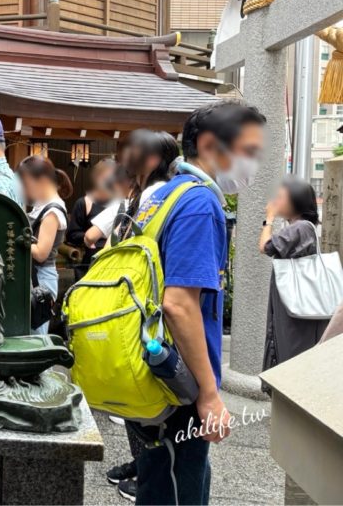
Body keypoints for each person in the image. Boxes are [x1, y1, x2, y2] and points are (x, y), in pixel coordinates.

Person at [128, 99, 266, 506]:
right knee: (178, 489)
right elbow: (180, 305)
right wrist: (208, 394)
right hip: (178, 386)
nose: (252, 162)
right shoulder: (200, 204)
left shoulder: (162, 195)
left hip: (151, 369)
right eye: (248, 149)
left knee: (159, 483)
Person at [89, 130, 179, 501]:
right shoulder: (158, 201)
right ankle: (144, 472)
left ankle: (142, 471)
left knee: (139, 407)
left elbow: (102, 253)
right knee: (155, 413)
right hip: (150, 316)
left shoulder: (135, 204)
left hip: (127, 316)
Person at [260, 178, 328, 383]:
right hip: (298, 305)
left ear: (295, 201)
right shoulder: (303, 227)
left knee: (290, 350)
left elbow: (265, 246)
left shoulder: (300, 228)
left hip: (295, 310)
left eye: (281, 198)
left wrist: (269, 219)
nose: (276, 201)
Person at [17, 155, 73, 334]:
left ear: (41, 180)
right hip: (35, 277)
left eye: (26, 184)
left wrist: (17, 240)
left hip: (41, 280)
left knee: (37, 339)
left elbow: (41, 252)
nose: (25, 190)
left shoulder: (53, 211)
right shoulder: (43, 205)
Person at [65, 158, 115, 279]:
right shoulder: (84, 203)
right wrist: (87, 238)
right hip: (90, 259)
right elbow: (72, 234)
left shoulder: (122, 203)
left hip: (114, 259)